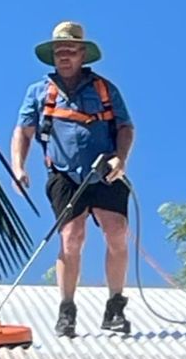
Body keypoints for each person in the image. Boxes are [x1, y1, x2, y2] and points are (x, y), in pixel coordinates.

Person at [12, 22, 136, 337]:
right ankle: (66, 310)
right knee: (71, 237)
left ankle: (115, 307)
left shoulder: (104, 89)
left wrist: (120, 158)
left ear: (83, 54)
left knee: (117, 232)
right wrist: (18, 166)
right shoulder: (39, 91)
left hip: (105, 171)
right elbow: (23, 131)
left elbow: (125, 127)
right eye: (58, 51)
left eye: (70, 50)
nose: (64, 57)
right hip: (64, 174)